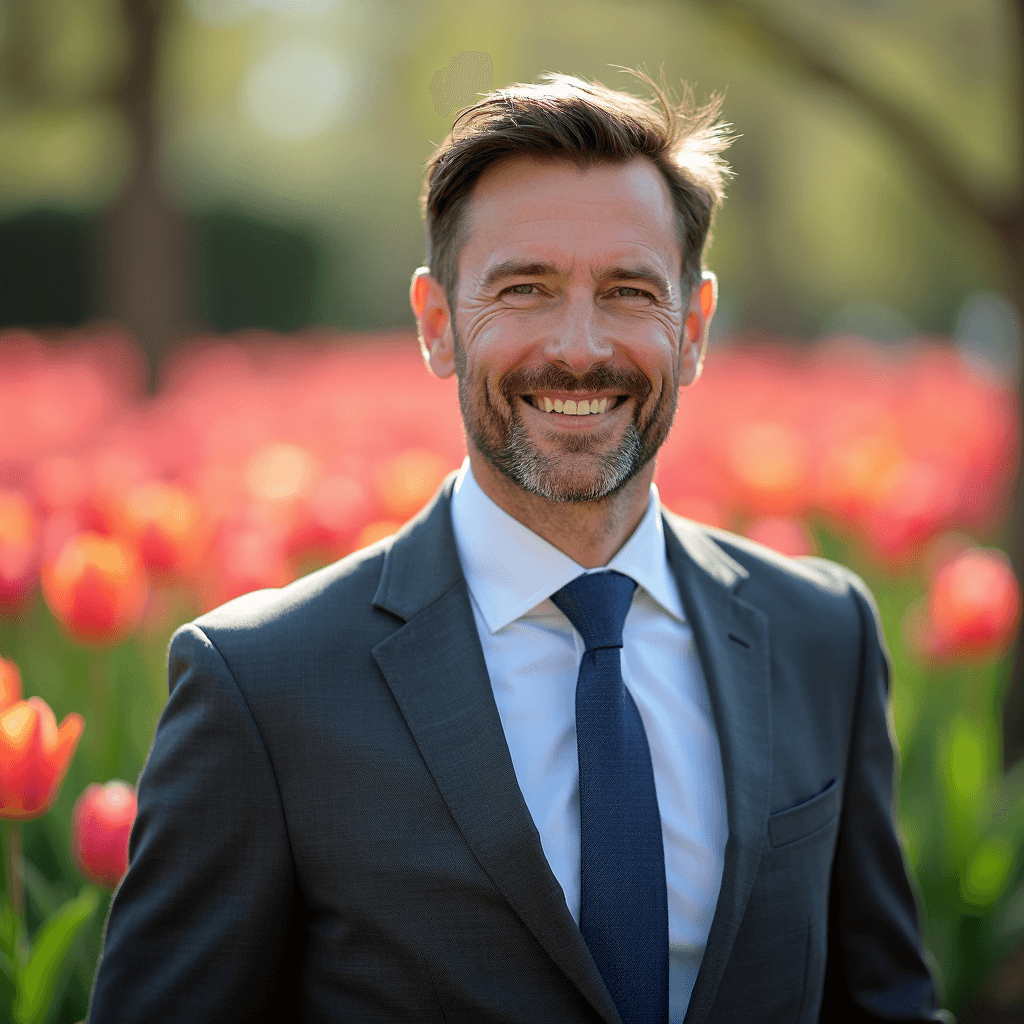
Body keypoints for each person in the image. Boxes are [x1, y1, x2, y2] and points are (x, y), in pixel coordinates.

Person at [88, 70, 950, 1024]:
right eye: (524, 289)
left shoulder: (820, 632)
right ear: (437, 323)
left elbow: (885, 1001)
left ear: (694, 328)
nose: (579, 347)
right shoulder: (263, 686)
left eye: (629, 291)